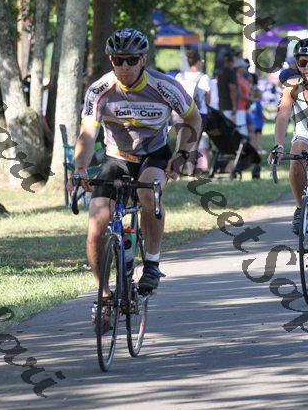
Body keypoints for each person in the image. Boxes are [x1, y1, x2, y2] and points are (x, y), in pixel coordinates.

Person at [69, 28, 202, 307]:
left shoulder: (165, 86)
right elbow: (88, 134)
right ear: (111, 60)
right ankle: (104, 295)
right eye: (119, 60)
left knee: (148, 193)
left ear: (143, 59)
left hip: (153, 155)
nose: (125, 66)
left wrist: (182, 154)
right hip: (116, 158)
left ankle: (152, 263)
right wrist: (79, 168)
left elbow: (193, 119)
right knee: (96, 224)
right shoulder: (99, 90)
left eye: (131, 60)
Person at [269, 37, 308, 234]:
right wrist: (278, 145)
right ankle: (300, 208)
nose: (307, 67)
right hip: (306, 139)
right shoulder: (291, 87)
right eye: (302, 62)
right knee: (297, 153)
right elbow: (283, 116)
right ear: (297, 65)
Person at [175, 50, 211, 176]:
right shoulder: (204, 77)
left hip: (181, 114)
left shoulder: (179, 76)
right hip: (199, 114)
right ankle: (191, 174)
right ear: (198, 62)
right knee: (194, 143)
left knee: (180, 142)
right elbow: (208, 99)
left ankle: (178, 173)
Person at [234, 58, 251, 137]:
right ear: (239, 68)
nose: (245, 68)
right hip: (239, 108)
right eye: (244, 67)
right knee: (242, 131)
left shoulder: (242, 78)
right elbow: (239, 94)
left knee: (249, 129)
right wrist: (252, 99)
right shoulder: (236, 78)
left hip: (245, 108)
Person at [218, 54, 237, 121]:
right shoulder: (231, 72)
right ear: (231, 62)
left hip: (221, 104)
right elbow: (232, 89)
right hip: (229, 106)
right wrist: (234, 105)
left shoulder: (220, 72)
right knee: (231, 125)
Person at [249, 88, 265, 153]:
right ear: (259, 95)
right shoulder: (258, 103)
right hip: (258, 123)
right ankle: (260, 149)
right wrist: (266, 118)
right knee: (259, 136)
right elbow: (261, 114)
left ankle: (253, 150)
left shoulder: (252, 103)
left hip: (253, 122)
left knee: (253, 137)